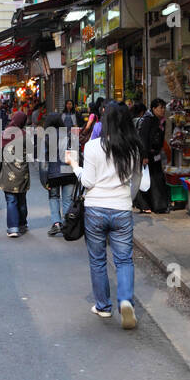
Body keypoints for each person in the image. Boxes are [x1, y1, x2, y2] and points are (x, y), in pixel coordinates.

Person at [67, 101, 140, 329]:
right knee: (124, 259)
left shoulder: (93, 146)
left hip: (96, 209)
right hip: (121, 209)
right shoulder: (134, 147)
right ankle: (125, 300)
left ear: (105, 121)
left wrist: (73, 165)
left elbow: (87, 181)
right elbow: (136, 183)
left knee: (98, 260)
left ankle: (103, 306)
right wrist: (127, 200)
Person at [41, 113, 77, 236]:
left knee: (54, 198)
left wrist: (44, 178)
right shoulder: (68, 135)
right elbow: (75, 154)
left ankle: (57, 223)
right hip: (69, 172)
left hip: (53, 173)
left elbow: (43, 160)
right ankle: (67, 225)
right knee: (67, 199)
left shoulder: (46, 136)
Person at [134, 98, 170, 214]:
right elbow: (143, 138)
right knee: (146, 180)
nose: (163, 110)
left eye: (164, 107)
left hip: (156, 154)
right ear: (154, 109)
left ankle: (159, 205)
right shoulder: (148, 120)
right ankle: (144, 205)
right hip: (147, 154)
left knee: (157, 179)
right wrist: (144, 156)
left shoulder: (162, 121)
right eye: (160, 108)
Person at [0, 124, 30, 237]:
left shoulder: (4, 134)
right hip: (22, 173)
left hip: (8, 173)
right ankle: (22, 225)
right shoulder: (25, 135)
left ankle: (13, 228)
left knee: (11, 200)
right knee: (21, 199)